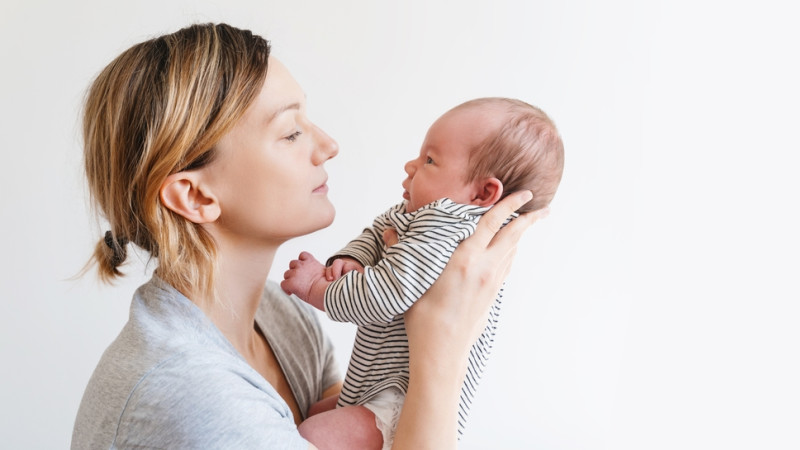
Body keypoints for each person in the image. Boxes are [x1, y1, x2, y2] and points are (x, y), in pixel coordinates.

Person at [71, 23, 543, 450]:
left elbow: (358, 420)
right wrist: (443, 343)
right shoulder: (196, 397)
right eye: (290, 133)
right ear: (195, 196)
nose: (328, 145)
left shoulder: (281, 316)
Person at [281, 98, 564, 449]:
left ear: (483, 193)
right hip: (378, 389)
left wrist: (316, 289)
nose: (411, 165)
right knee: (313, 412)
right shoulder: (421, 217)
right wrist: (353, 259)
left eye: (430, 160)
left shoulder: (449, 227)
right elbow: (377, 232)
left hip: (400, 404)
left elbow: (383, 297)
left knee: (313, 434)